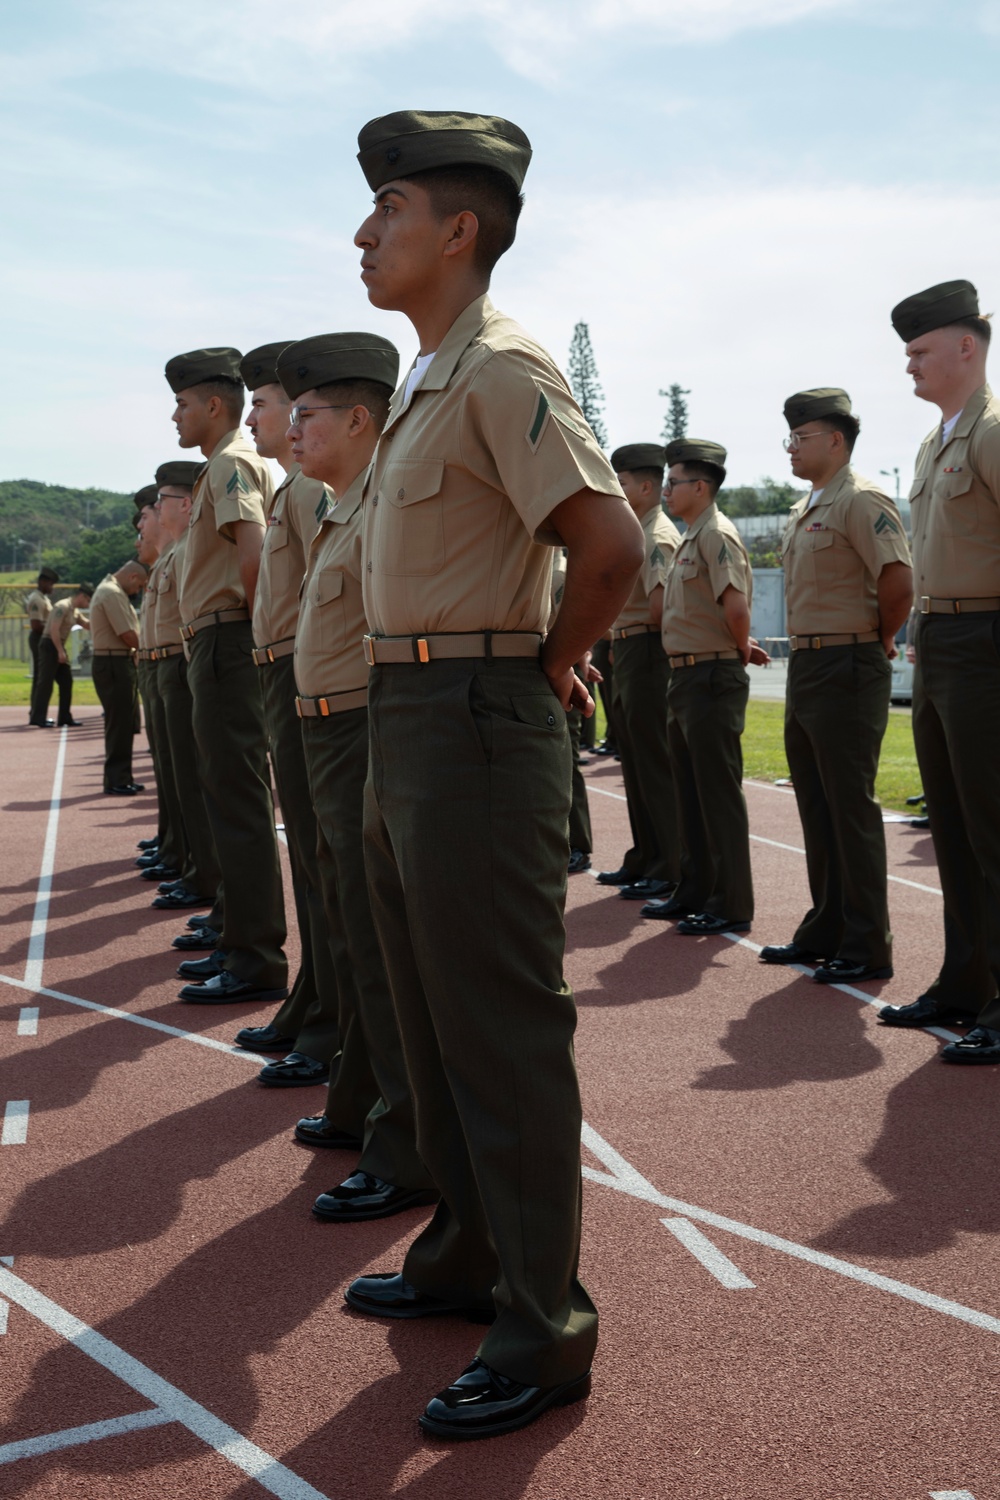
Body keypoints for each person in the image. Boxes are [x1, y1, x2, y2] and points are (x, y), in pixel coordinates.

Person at [343, 109, 644, 1440]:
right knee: (426, 1019)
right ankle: (465, 1255)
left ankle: (544, 1326)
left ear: (457, 230)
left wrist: (545, 667)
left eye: (390, 209)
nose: (364, 232)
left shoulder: (506, 367)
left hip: (471, 708)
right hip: (407, 709)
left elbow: (610, 546)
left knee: (504, 1038)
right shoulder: (429, 379)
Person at [277, 330, 438, 1223]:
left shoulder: (382, 505)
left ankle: (406, 1145)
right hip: (329, 732)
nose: (294, 431)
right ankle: (368, 1108)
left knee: (381, 952)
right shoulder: (341, 504)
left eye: (307, 414)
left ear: (361, 418)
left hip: (365, 730)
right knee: (351, 936)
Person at [877, 280, 1000, 1061]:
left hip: (989, 642)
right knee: (953, 826)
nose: (910, 367)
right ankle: (966, 981)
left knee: (993, 828)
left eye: (920, 351)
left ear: (968, 346)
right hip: (945, 646)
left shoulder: (991, 432)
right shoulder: (934, 443)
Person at [758, 390, 912, 983]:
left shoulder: (861, 499)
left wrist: (875, 637)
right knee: (816, 805)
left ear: (836, 441)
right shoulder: (807, 507)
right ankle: (825, 926)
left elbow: (896, 580)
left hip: (847, 662)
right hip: (808, 665)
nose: (792, 447)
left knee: (849, 807)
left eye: (802, 436)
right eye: (789, 437)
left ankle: (867, 942)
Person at [163, 347, 287, 1004]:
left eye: (182, 403)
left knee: (237, 800)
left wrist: (256, 639)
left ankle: (254, 954)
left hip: (230, 642)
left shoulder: (234, 464)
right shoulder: (222, 467)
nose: (174, 416)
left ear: (215, 405)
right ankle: (235, 928)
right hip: (216, 641)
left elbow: (253, 555)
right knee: (225, 795)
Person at [236, 341, 341, 1085]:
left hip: (305, 675)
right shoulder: (287, 490)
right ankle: (314, 1002)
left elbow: (318, 597)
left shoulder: (306, 491)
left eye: (265, 403)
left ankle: (331, 1024)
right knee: (308, 860)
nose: (258, 416)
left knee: (322, 861)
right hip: (283, 672)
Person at [642, 439, 762, 935]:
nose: (666, 490)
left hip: (711, 674)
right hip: (687, 674)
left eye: (673, 482)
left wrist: (736, 648)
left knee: (716, 794)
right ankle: (694, 888)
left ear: (701, 486)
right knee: (689, 793)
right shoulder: (693, 536)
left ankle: (730, 900)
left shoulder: (717, 535)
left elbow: (735, 608)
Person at [597, 443, 680, 901]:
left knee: (653, 762)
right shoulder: (637, 528)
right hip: (628, 650)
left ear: (646, 486)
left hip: (649, 651)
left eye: (623, 483)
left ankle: (668, 861)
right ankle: (646, 854)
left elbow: (660, 607)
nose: (617, 489)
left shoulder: (658, 535)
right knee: (634, 760)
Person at [152, 461, 225, 933]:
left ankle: (206, 881)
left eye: (159, 502)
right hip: (172, 662)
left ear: (183, 504)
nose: (151, 514)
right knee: (181, 775)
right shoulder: (173, 554)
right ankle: (195, 870)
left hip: (187, 658)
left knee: (208, 786)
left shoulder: (184, 553)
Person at [134, 485, 184, 868]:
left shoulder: (181, 555)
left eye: (146, 515)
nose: (140, 525)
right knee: (167, 767)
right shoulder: (164, 562)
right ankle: (173, 844)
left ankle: (185, 854)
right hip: (157, 666)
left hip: (176, 665)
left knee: (182, 770)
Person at [549, 547, 593, 873]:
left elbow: (572, 628)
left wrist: (579, 664)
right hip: (556, 671)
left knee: (567, 763)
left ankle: (577, 843)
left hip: (562, 672)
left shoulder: (558, 571)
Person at [88, 561, 147, 794]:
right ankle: (117, 780)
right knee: (119, 723)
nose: (138, 591)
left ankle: (121, 777)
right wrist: (149, 650)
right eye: (140, 585)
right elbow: (128, 634)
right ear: (132, 577)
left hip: (115, 661)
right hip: (113, 663)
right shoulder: (111, 593)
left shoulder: (109, 589)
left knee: (123, 722)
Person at [33, 583, 93, 728]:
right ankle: (37, 717)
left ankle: (64, 717)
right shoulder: (63, 606)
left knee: (66, 682)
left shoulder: (74, 611)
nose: (88, 604)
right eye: (88, 601)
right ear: (81, 596)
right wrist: (60, 651)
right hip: (50, 645)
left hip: (58, 646)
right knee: (45, 683)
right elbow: (54, 630)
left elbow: (86, 624)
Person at [26, 566, 59, 725]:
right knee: (41, 677)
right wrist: (53, 630)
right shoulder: (36, 599)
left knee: (41, 677)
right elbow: (36, 625)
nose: (51, 587)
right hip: (39, 638)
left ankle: (35, 711)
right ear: (41, 582)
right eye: (49, 584)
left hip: (44, 638)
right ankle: (36, 713)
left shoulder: (44, 598)